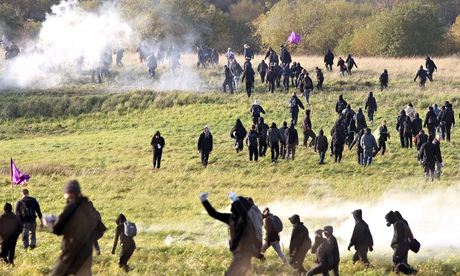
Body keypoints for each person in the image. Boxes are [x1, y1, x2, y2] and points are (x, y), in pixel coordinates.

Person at [44, 180, 101, 275]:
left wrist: (48, 223)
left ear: (69, 193)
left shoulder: (72, 206)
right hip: (86, 254)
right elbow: (99, 229)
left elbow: (57, 229)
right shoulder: (88, 207)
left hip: (70, 254)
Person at [199, 192, 263, 276]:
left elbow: (243, 214)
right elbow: (214, 214)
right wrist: (204, 200)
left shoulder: (246, 221)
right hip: (237, 254)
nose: (231, 206)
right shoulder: (231, 218)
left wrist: (236, 200)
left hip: (244, 255)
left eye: (233, 204)